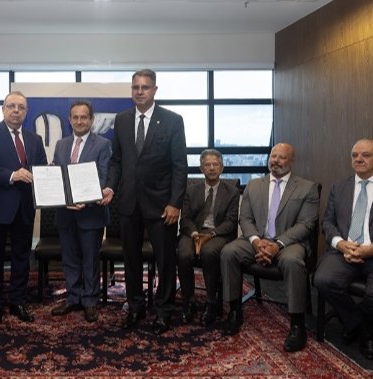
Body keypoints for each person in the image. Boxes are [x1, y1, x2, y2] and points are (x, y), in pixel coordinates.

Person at [101, 69, 188, 335]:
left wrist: (175, 203)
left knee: (165, 260)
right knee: (131, 260)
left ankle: (163, 311)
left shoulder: (172, 120)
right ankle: (135, 307)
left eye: (145, 87)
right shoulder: (122, 119)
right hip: (128, 203)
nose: (140, 92)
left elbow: (179, 166)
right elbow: (117, 160)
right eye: (136, 87)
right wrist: (110, 186)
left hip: (162, 205)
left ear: (155, 90)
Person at [313, 139, 373, 360]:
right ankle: (365, 328)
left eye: (365, 155)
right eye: (354, 155)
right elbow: (327, 222)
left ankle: (356, 323)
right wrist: (340, 243)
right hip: (344, 252)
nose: (358, 159)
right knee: (323, 280)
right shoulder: (339, 187)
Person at [219, 143, 319, 352]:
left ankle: (297, 324)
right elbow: (245, 219)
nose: (276, 161)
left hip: (289, 243)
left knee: (292, 261)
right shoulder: (254, 185)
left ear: (292, 161)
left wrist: (277, 245)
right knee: (229, 252)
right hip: (257, 240)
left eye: (282, 157)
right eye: (273, 156)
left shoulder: (307, 188)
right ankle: (234, 311)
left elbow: (306, 224)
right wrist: (256, 242)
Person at [0, 91, 48, 327]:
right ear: (3, 109)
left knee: (22, 258)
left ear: (26, 112)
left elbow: (42, 169)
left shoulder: (35, 139)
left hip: (24, 208)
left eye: (21, 107)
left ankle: (17, 301)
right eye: (12, 106)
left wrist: (50, 176)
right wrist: (12, 175)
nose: (16, 110)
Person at [50, 101, 112, 322]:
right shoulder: (61, 145)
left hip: (91, 213)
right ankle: (73, 297)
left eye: (83, 117)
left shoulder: (103, 144)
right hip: (65, 213)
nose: (79, 121)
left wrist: (87, 198)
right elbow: (57, 175)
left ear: (91, 119)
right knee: (69, 259)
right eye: (75, 117)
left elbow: (104, 176)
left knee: (90, 260)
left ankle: (90, 301)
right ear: (69, 119)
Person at [177, 149, 239, 326]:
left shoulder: (232, 192)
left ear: (222, 167)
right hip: (194, 232)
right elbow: (185, 219)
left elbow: (230, 222)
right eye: (207, 165)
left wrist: (210, 234)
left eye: (215, 164)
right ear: (201, 168)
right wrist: (195, 234)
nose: (211, 168)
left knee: (209, 252)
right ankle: (188, 301)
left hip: (217, 233)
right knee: (184, 254)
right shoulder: (191, 190)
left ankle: (211, 302)